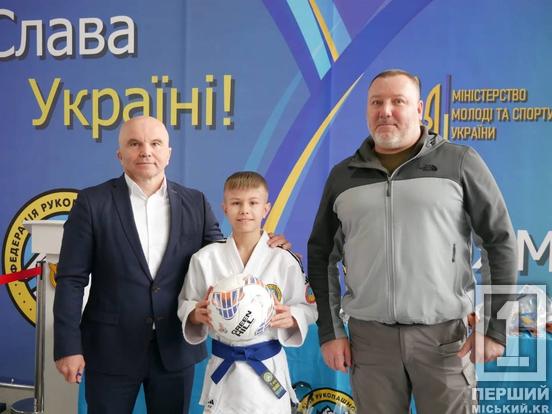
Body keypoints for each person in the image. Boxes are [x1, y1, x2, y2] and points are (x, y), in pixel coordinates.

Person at [307, 69, 517, 413]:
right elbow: (320, 255)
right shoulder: (343, 176)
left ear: (419, 109)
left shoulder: (459, 162)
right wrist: (331, 332)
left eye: (398, 101)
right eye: (376, 102)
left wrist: (496, 327)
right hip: (369, 344)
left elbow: (500, 242)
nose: (385, 111)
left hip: (444, 340)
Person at [53, 116, 290, 414]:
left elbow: (224, 260)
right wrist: (67, 346)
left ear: (168, 153)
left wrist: (266, 246)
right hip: (110, 349)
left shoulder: (195, 202)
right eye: (134, 144)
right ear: (120, 154)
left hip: (175, 348)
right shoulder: (91, 202)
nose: (146, 151)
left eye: (155, 144)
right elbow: (71, 279)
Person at [177, 171, 317, 414]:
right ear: (224, 208)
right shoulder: (205, 258)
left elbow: (308, 308)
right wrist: (194, 314)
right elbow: (186, 302)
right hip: (224, 370)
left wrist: (293, 316)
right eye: (236, 203)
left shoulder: (284, 260)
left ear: (266, 209)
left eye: (253, 203)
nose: (244, 210)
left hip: (268, 368)